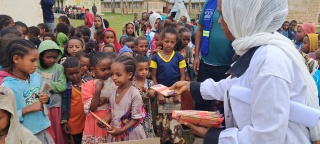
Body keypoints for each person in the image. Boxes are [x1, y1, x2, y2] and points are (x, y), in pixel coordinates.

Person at [170, 0, 320, 143]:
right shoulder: (255, 50)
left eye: (224, 14)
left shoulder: (270, 62)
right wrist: (191, 87)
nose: (219, 21)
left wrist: (215, 137)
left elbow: (267, 137)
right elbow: (234, 86)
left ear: (241, 17)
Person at [1, 39, 54, 144]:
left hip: (43, 128)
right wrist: (27, 109)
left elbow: (47, 99)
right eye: (32, 60)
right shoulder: (7, 88)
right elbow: (7, 119)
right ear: (16, 59)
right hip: (25, 135)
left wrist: (46, 99)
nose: (36, 64)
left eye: (37, 61)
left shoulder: (36, 77)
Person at [193, 0, 232, 115]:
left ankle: (221, 129)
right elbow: (199, 30)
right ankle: (199, 128)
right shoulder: (209, 4)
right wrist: (196, 56)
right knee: (202, 98)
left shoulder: (235, 3)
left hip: (228, 65)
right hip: (206, 62)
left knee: (224, 100)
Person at [150, 25, 186, 143]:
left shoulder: (179, 57)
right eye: (166, 41)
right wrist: (159, 93)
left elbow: (182, 76)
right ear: (161, 40)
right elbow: (154, 76)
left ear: (176, 42)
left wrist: (178, 93)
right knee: (162, 121)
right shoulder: (156, 57)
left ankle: (175, 140)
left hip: (175, 93)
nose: (169, 44)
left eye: (172, 42)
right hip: (161, 95)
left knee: (175, 119)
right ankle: (163, 140)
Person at [97, 56, 146, 142]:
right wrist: (104, 120)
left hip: (131, 134)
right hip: (116, 131)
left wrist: (121, 131)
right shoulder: (113, 89)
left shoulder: (134, 93)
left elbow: (136, 118)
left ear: (129, 75)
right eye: (112, 74)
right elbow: (113, 109)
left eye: (118, 75)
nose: (114, 77)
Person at [36, 40, 68, 144]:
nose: (52, 60)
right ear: (41, 56)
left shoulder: (59, 68)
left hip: (54, 106)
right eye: (48, 57)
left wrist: (46, 84)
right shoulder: (35, 68)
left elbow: (62, 86)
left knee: (55, 129)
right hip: (38, 106)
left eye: (54, 57)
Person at [81, 52, 114, 143]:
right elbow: (92, 108)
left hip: (111, 119)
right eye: (103, 69)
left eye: (109, 68)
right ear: (93, 70)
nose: (107, 72)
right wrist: (98, 91)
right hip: (96, 122)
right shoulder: (88, 86)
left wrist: (106, 99)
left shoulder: (114, 82)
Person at [61, 57, 86, 144]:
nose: (74, 75)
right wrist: (64, 122)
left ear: (81, 70)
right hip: (74, 123)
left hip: (87, 121)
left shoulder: (87, 83)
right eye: (70, 74)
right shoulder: (67, 89)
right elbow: (64, 106)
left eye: (77, 72)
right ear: (66, 74)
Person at [132, 55, 156, 138]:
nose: (144, 72)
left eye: (146, 69)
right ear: (134, 69)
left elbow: (152, 95)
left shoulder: (150, 82)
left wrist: (147, 91)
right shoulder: (131, 83)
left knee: (147, 132)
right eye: (140, 70)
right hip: (134, 113)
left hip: (146, 113)